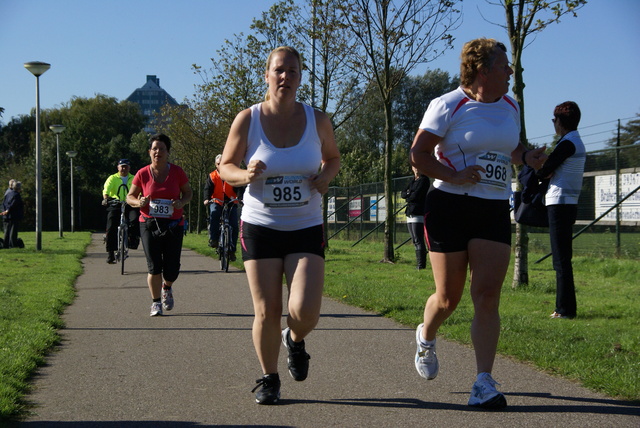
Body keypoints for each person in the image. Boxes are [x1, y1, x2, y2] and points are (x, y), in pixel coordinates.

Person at [409, 38, 547, 409]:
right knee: (448, 298)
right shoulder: (448, 105)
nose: (511, 71)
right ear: (483, 70)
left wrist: (527, 157)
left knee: (487, 295)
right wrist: (454, 177)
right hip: (449, 206)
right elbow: (419, 154)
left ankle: (483, 382)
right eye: (505, 65)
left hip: (491, 207)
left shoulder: (510, 105)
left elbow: (510, 149)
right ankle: (426, 336)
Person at [218, 46, 340, 405]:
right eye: (279, 71)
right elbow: (225, 166)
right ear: (267, 75)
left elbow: (332, 158)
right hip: (260, 225)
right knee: (268, 310)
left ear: (300, 77)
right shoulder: (248, 119)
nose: (285, 77)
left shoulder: (318, 120)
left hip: (305, 224)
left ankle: (295, 339)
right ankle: (269, 377)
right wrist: (245, 174)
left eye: (292, 71)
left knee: (305, 311)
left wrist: (325, 177)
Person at [126, 134, 193, 317]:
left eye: (162, 149)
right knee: (154, 266)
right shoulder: (142, 173)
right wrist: (138, 202)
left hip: (174, 223)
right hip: (148, 223)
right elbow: (129, 196)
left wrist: (181, 202)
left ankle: (167, 286)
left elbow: (188, 192)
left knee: (172, 268)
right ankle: (156, 303)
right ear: (149, 152)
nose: (158, 152)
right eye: (154, 149)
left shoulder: (177, 172)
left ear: (168, 152)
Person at [536, 101, 585, 319]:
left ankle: (564, 310)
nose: (553, 124)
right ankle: (565, 308)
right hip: (568, 202)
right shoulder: (574, 141)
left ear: (560, 122)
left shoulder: (567, 143)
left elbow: (544, 172)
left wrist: (538, 164)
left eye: (554, 120)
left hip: (560, 202)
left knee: (560, 259)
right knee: (562, 258)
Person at [102, 159, 140, 264]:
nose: (124, 168)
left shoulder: (134, 178)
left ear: (129, 168)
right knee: (111, 225)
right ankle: (110, 254)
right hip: (116, 203)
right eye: (122, 166)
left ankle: (132, 241)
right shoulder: (112, 178)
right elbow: (106, 189)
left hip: (130, 204)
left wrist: (139, 199)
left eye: (126, 166)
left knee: (135, 219)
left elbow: (140, 190)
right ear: (118, 167)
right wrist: (106, 198)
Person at [203, 154, 240, 260]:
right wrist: (206, 199)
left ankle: (232, 251)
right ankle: (214, 239)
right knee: (214, 215)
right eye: (219, 164)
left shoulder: (232, 174)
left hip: (231, 201)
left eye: (223, 163)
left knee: (234, 225)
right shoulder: (212, 176)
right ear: (216, 164)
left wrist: (240, 198)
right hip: (217, 201)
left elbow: (239, 187)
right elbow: (207, 189)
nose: (221, 166)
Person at [401, 166, 430, 269]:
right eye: (414, 166)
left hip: (418, 213)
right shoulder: (412, 180)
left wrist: (409, 194)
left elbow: (416, 195)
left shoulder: (424, 180)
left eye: (418, 166)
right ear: (412, 168)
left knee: (418, 239)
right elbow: (403, 193)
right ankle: (419, 263)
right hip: (409, 212)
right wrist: (409, 194)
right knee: (414, 239)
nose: (417, 168)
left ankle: (421, 265)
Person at [2, 181, 24, 248]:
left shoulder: (8, 194)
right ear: (19, 188)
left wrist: (5, 211)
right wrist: (8, 210)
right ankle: (13, 245)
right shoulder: (17, 195)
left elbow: (4, 203)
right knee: (13, 231)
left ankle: (5, 244)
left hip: (7, 216)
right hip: (14, 215)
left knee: (7, 231)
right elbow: (13, 204)